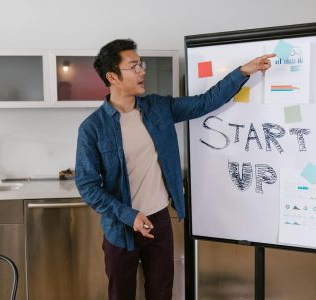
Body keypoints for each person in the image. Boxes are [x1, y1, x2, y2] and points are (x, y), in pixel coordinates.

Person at [75, 38, 275, 300]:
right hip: (121, 227)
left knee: (161, 294)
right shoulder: (93, 128)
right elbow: (87, 185)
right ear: (112, 76)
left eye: (141, 64)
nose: (142, 71)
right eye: (134, 66)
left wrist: (242, 72)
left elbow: (205, 102)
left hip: (158, 220)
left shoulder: (158, 108)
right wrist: (128, 215)